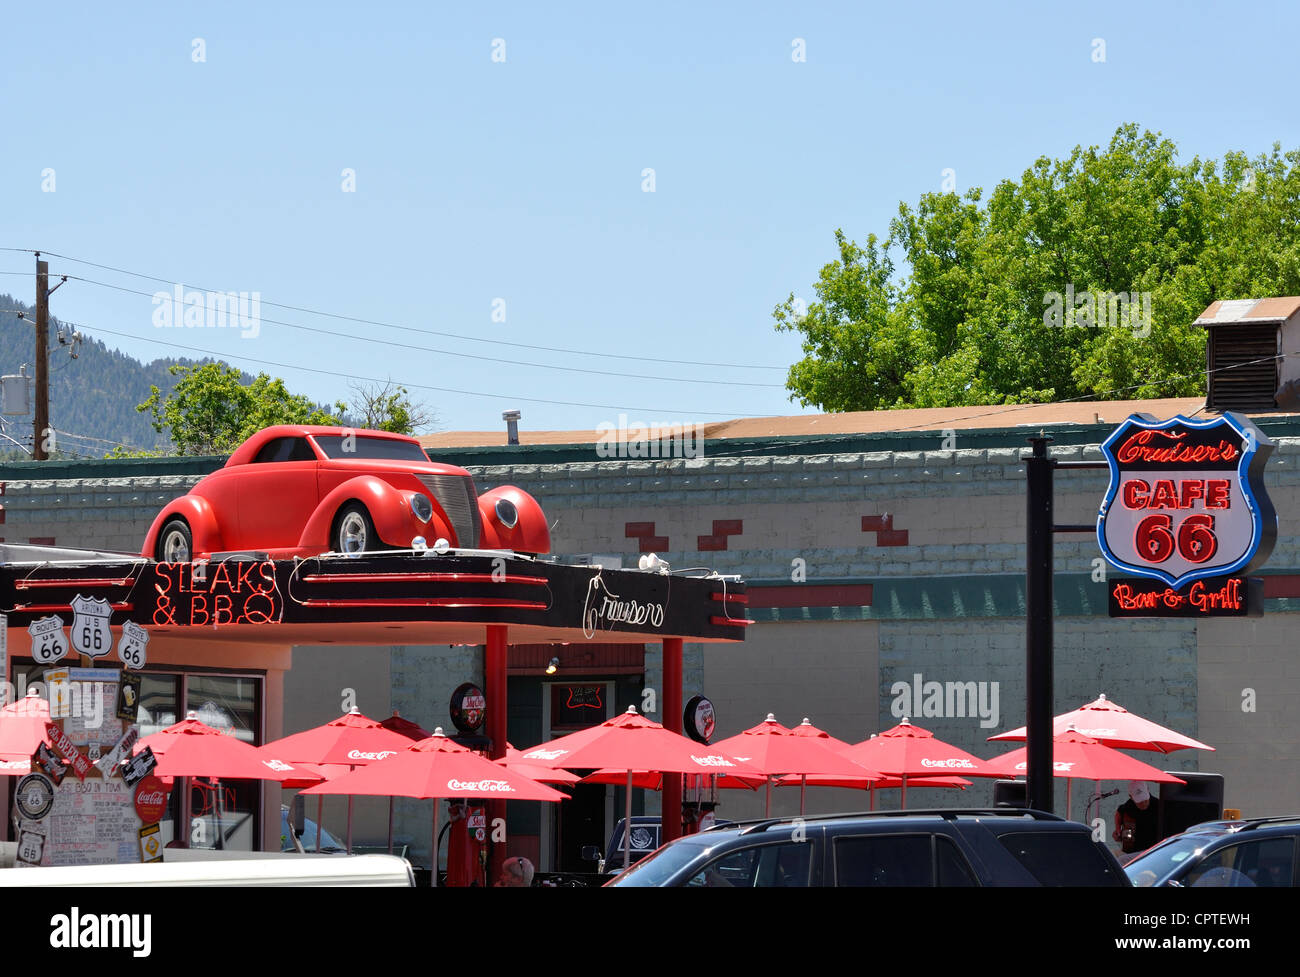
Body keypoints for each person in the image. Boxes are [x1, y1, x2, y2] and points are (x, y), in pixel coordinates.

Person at [1113, 781, 1160, 853]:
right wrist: (1118, 829)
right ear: (1131, 797)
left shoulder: (1159, 805)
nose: (1144, 804)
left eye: (1145, 800)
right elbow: (1119, 813)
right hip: (1132, 849)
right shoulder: (1129, 805)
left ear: (1147, 789)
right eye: (1140, 801)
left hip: (1152, 850)